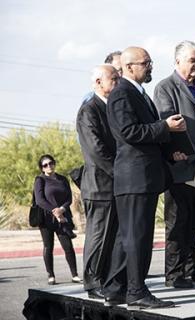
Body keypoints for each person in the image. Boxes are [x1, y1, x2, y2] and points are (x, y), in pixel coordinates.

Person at [104, 46, 186, 309]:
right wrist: (165, 127)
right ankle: (137, 292)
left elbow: (143, 134)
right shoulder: (122, 94)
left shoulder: (138, 93)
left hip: (142, 177)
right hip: (135, 178)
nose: (151, 67)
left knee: (127, 236)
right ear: (129, 67)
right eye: (146, 63)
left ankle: (116, 289)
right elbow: (129, 131)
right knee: (137, 236)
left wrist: (172, 152)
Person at [153, 40, 195, 289]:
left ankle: (192, 270)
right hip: (182, 166)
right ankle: (174, 274)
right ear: (178, 60)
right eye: (193, 60)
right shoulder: (165, 88)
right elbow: (172, 127)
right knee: (178, 222)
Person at [76, 65, 119, 299]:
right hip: (99, 186)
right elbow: (96, 150)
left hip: (114, 185)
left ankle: (106, 279)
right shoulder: (89, 110)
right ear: (98, 83)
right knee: (98, 236)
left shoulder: (111, 108)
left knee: (111, 237)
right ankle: (92, 283)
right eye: (114, 78)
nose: (117, 82)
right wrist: (120, 173)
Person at [33, 154, 81, 285]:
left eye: (51, 163)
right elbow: (40, 200)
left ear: (54, 164)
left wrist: (62, 210)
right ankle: (51, 275)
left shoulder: (63, 179)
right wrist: (55, 211)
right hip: (46, 218)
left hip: (63, 217)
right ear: (42, 168)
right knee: (48, 246)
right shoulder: (40, 180)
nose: (49, 166)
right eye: (45, 165)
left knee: (68, 246)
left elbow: (69, 199)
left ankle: (75, 274)